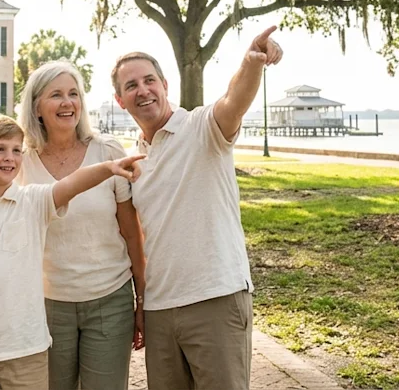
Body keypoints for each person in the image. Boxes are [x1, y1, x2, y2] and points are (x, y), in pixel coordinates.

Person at [115, 25, 283, 390]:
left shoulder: (201, 127)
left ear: (164, 85)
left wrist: (251, 63)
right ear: (120, 100)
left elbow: (232, 101)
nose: (142, 91)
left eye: (149, 81)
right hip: (159, 310)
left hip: (216, 299)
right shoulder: (133, 163)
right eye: (131, 86)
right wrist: (141, 303)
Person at [0, 114, 144, 390]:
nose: (10, 157)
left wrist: (108, 168)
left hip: (28, 352)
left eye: (16, 150)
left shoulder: (33, 202)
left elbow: (73, 183)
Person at [16, 61, 145, 390]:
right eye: (56, 95)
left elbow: (132, 233)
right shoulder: (20, 161)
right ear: (36, 107)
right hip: (46, 305)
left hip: (109, 299)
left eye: (74, 94)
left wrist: (142, 299)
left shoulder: (107, 151)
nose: (67, 103)